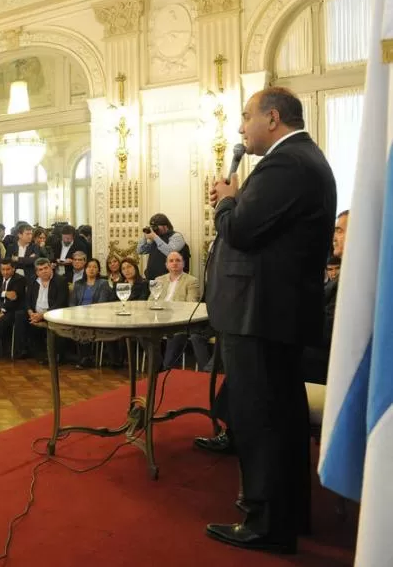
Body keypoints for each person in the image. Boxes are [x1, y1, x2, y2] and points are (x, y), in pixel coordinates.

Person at [203, 87, 336, 553]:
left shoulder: (285, 164)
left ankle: (266, 524)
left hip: (260, 314)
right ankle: (286, 513)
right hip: (272, 312)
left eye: (246, 117)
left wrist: (225, 200)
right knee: (282, 418)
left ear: (273, 118)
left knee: (262, 420)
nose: (240, 128)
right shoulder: (303, 159)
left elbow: (241, 230)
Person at [137, 214, 190, 279]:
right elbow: (140, 250)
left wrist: (155, 237)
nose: (154, 229)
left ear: (165, 225)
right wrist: (145, 236)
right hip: (152, 280)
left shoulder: (176, 236)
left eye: (156, 226)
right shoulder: (156, 238)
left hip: (170, 280)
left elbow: (170, 252)